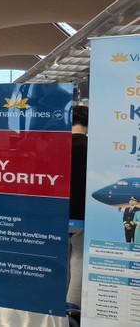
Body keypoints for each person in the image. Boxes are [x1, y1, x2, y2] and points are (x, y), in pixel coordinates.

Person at [68, 105, 88, 313]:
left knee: (60, 256)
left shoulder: (56, 145)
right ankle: (72, 303)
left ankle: (56, 298)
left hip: (58, 209)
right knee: (79, 256)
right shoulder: (91, 147)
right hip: (82, 210)